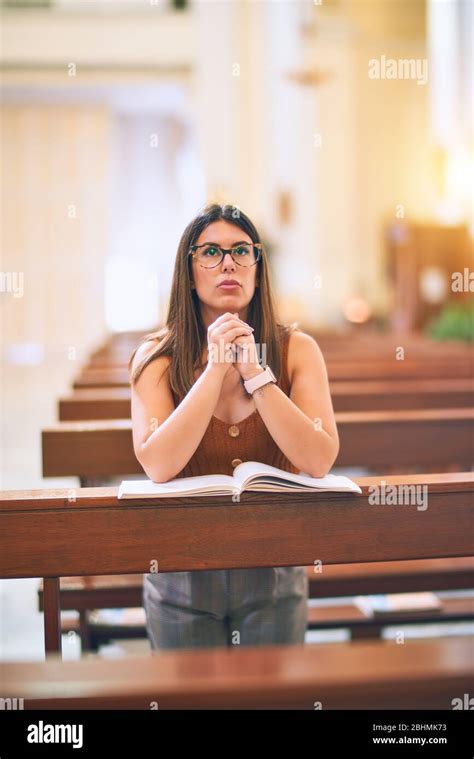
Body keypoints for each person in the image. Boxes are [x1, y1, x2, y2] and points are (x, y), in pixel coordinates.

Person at [128, 203, 339, 650]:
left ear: (258, 271)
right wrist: (214, 370)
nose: (228, 263)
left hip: (274, 571)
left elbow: (319, 460)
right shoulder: (156, 357)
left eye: (242, 251)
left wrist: (256, 375)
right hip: (181, 575)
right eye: (210, 252)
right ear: (188, 273)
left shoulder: (298, 350)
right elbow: (159, 465)